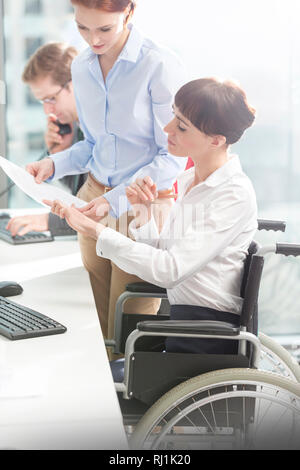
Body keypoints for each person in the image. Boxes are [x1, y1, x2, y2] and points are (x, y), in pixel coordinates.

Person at [45, 77, 258, 356]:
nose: (167, 128)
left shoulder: (233, 195)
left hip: (204, 334)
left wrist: (96, 230)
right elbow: (165, 255)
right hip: (181, 321)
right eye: (173, 116)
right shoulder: (190, 180)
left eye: (181, 126)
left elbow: (168, 270)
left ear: (216, 141)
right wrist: (142, 212)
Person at [25, 0, 188, 344]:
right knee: (96, 327)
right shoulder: (82, 67)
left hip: (142, 206)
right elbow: (93, 146)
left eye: (104, 29)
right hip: (91, 200)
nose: (93, 40)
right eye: (83, 27)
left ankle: (121, 399)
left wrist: (113, 202)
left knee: (126, 330)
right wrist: (54, 164)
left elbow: (172, 155)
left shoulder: (158, 65)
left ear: (129, 12)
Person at [6, 42, 86, 238]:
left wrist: (48, 221)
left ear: (74, 83)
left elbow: (106, 211)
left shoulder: (103, 127)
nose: (47, 110)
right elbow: (80, 193)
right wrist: (60, 153)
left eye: (51, 98)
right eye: (42, 102)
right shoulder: (75, 128)